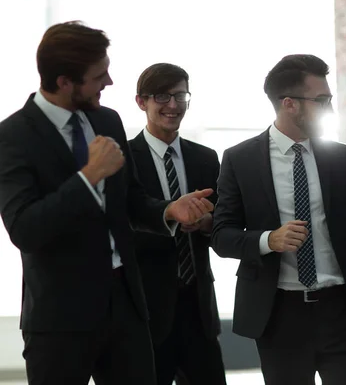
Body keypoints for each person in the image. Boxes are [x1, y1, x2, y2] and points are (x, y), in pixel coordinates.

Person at [0, 21, 213, 385]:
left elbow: (130, 200)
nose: (109, 82)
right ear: (65, 81)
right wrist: (88, 177)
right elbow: (26, 229)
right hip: (60, 318)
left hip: (126, 308)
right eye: (99, 75)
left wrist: (167, 210)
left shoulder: (107, 120)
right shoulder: (13, 136)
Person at [211, 54, 346, 385]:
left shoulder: (341, 157)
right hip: (278, 314)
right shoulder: (240, 159)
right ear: (289, 104)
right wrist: (268, 240)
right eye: (322, 101)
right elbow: (221, 235)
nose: (330, 109)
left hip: (340, 309)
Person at [130, 63, 227, 385]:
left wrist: (206, 223)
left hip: (198, 307)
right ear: (141, 102)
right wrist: (171, 216)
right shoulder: (123, 159)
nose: (173, 105)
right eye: (162, 96)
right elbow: (120, 224)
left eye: (180, 96)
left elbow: (226, 222)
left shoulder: (205, 158)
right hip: (145, 311)